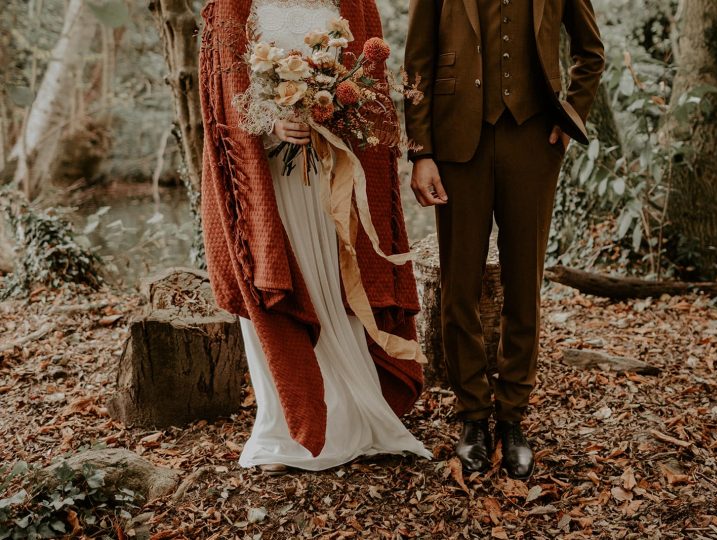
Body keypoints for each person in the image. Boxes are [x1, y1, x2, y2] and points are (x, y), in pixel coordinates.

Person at [198, 0, 431, 473]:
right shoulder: (231, 5)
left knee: (338, 279)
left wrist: (337, 110)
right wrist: (269, 123)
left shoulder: (355, 4)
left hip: (332, 169)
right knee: (282, 276)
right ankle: (288, 422)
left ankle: (354, 414)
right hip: (270, 178)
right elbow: (222, 91)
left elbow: (370, 82)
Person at [404, 0, 605, 479]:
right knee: (459, 288)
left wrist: (570, 113)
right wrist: (421, 152)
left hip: (534, 140)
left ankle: (512, 416)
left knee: (523, 286)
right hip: (457, 143)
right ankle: (473, 415)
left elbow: (590, 51)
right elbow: (418, 62)